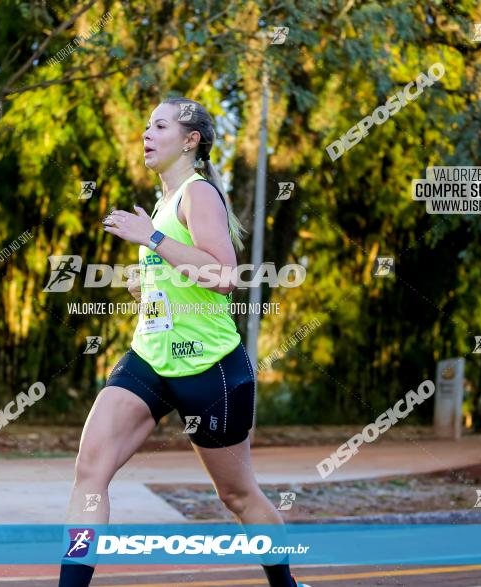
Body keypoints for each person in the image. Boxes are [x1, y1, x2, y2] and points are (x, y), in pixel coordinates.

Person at [57, 98, 310, 587]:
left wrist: (150, 239)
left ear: (191, 140)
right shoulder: (162, 203)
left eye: (160, 125)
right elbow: (182, 268)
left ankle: (285, 585)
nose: (146, 132)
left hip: (210, 370)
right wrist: (146, 279)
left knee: (237, 496)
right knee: (90, 470)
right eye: (146, 124)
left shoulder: (200, 195)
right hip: (150, 361)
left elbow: (222, 276)